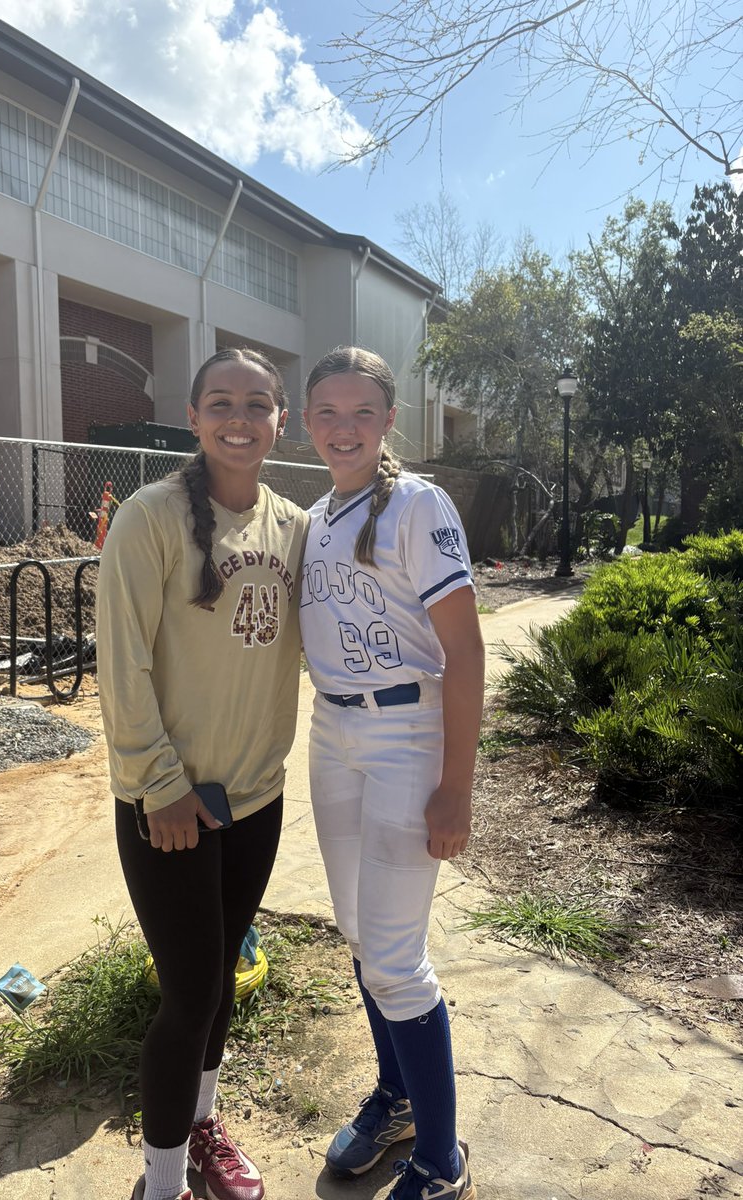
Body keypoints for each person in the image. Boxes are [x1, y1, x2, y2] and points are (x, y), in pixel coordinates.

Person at [96, 347, 308, 1200]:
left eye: (258, 405)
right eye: (221, 402)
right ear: (193, 416)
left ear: (279, 422)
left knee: (220, 981)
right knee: (186, 998)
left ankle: (202, 1123)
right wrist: (160, 785)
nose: (240, 419)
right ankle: (161, 1183)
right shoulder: (149, 518)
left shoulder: (294, 526)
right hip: (170, 806)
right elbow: (122, 664)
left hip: (256, 799)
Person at [299, 347, 484, 1200]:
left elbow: (465, 650)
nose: (344, 428)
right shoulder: (316, 516)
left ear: (388, 422)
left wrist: (457, 785)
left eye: (361, 412)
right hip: (332, 731)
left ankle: (440, 1162)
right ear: (307, 422)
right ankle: (399, 1097)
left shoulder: (416, 503)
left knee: (397, 962)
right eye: (328, 412)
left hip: (406, 733)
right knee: (361, 936)